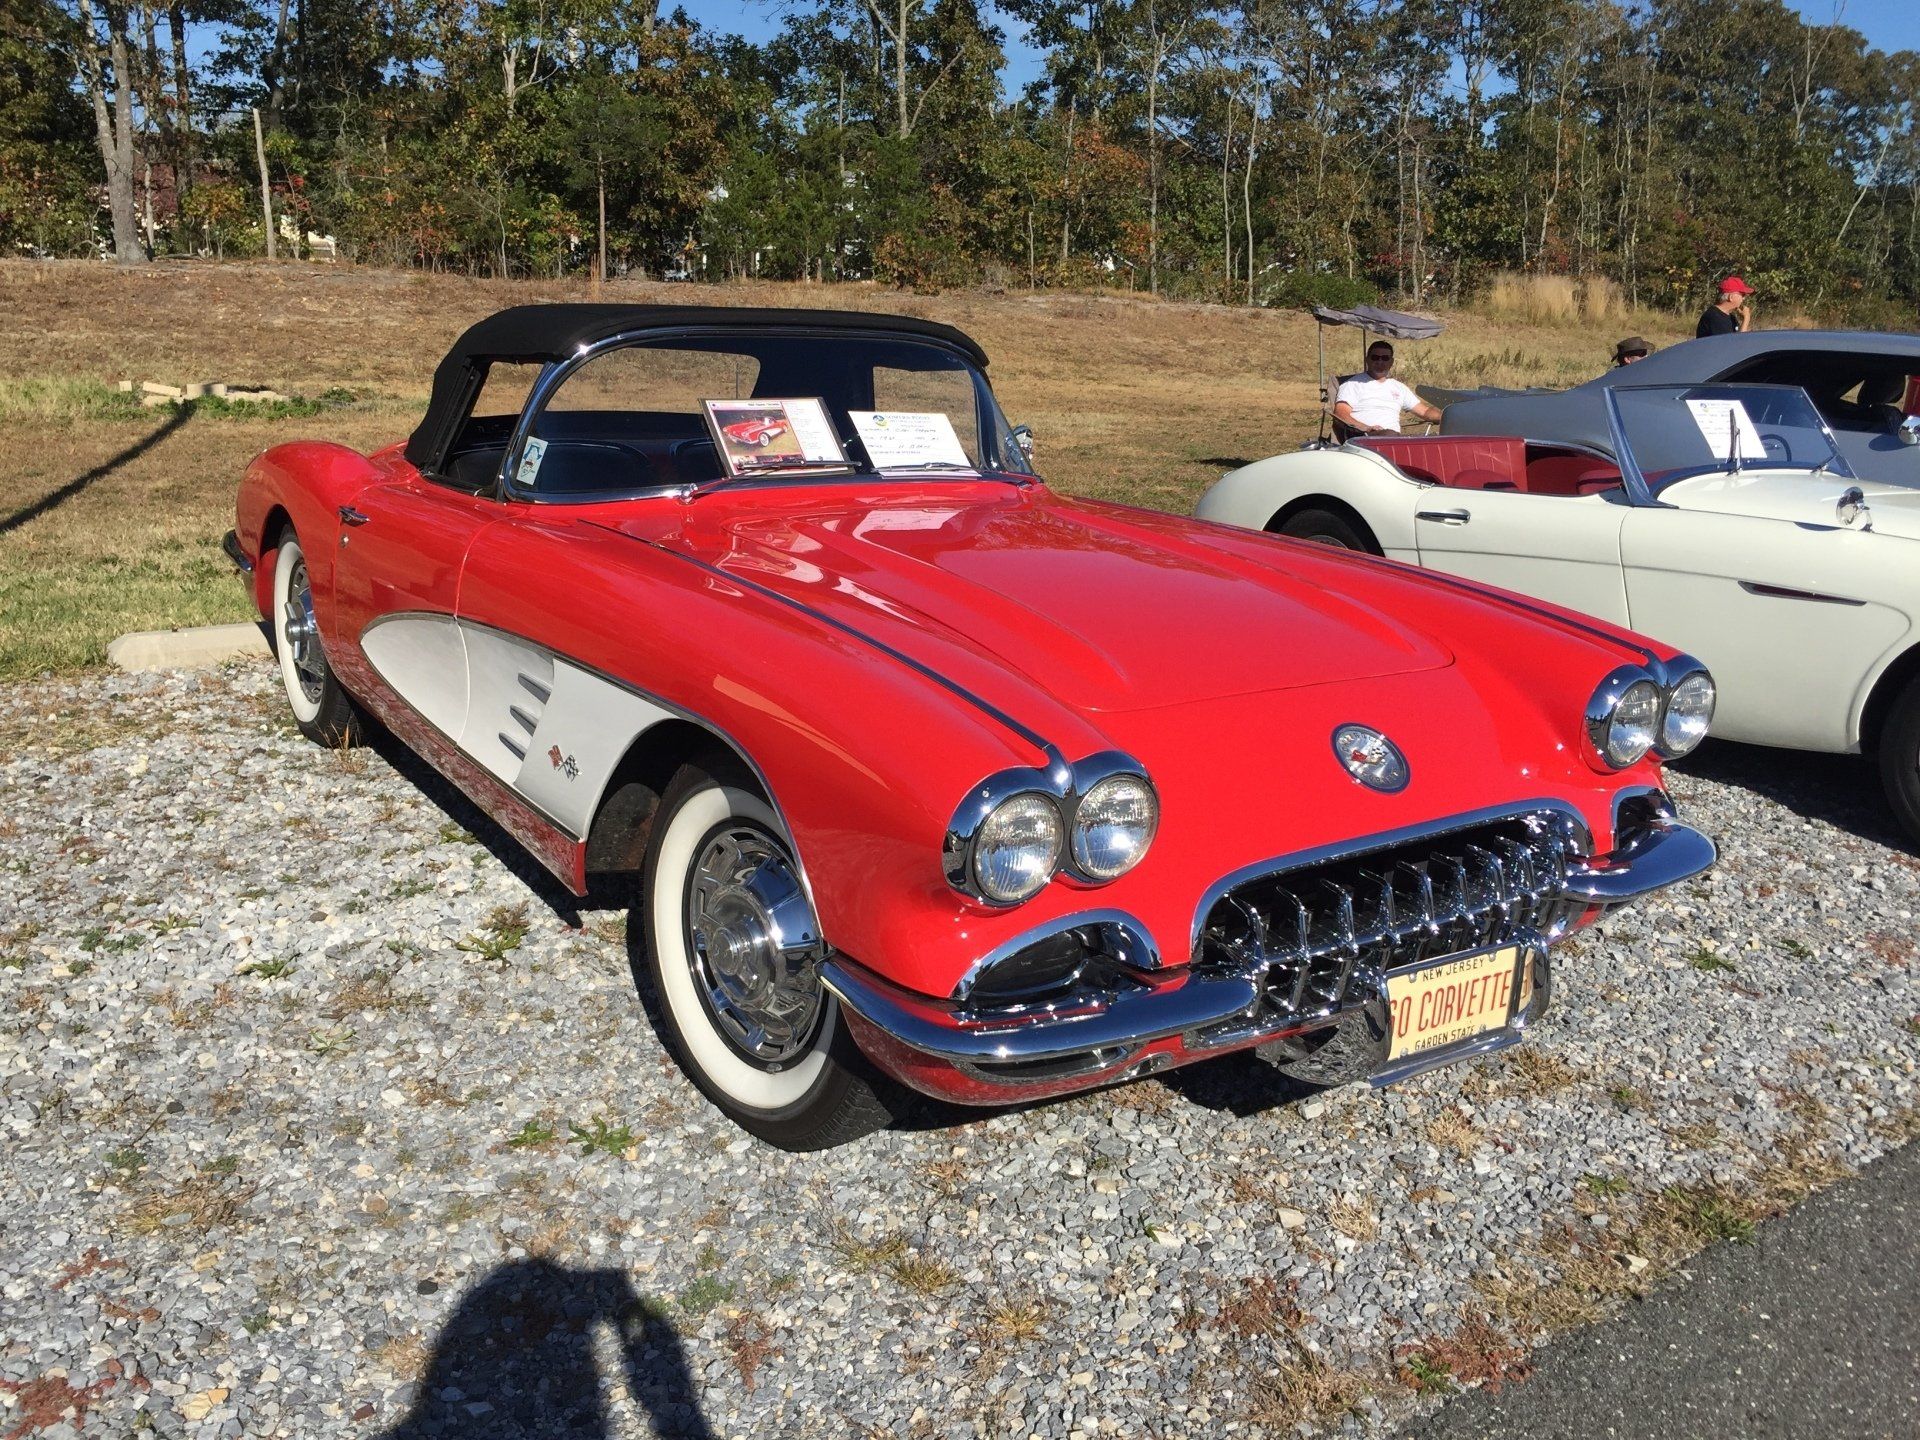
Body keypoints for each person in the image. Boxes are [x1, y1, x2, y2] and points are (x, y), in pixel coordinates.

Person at [1333, 341, 1442, 437]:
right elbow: (1340, 413)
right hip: (1363, 437)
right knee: (1390, 435)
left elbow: (1425, 411)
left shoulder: (1399, 387)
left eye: (1385, 358)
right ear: (1367, 360)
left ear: (1391, 362)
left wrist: (1447, 417)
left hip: (1392, 439)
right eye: (1375, 357)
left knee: (1431, 441)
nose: (1380, 362)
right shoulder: (1353, 384)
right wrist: (1366, 428)